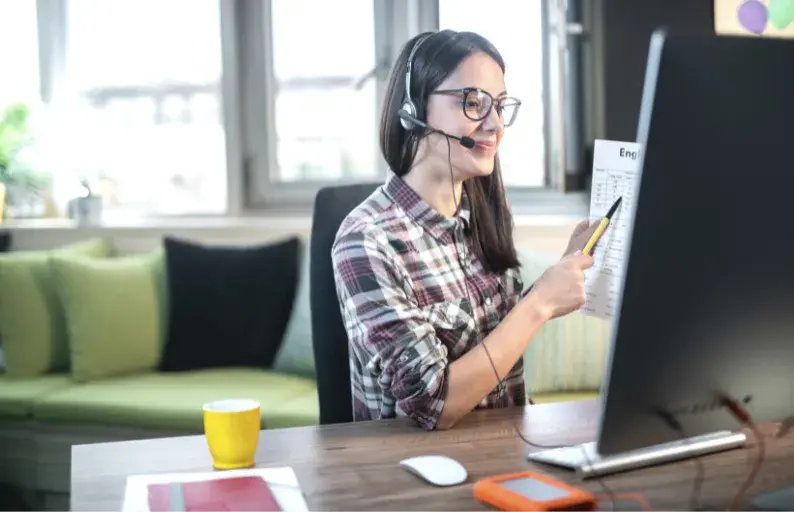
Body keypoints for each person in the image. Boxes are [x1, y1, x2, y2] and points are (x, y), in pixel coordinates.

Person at [331, 29, 597, 431]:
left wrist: (557, 278)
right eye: (473, 103)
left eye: (501, 106)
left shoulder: (481, 213)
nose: (495, 124)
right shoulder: (365, 241)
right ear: (412, 109)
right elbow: (435, 403)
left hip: (506, 453)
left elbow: (488, 337)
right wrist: (539, 303)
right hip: (416, 475)